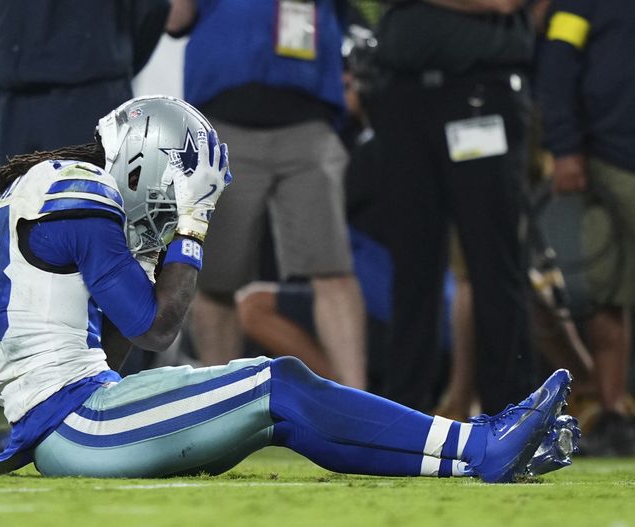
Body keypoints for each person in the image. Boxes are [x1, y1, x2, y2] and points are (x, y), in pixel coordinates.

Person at [0, 95, 578, 482]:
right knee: (279, 382)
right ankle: (477, 443)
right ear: (140, 163)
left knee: (281, 411)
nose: (171, 208)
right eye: (173, 190)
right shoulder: (81, 194)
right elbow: (157, 329)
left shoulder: (45, 191)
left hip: (69, 418)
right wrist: (192, 224)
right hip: (78, 422)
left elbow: (110, 353)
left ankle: (477, 455)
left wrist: (153, 251)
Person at [165, 0, 367, 390]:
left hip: (309, 119)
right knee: (216, 279)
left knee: (333, 269)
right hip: (224, 120)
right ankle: (219, 405)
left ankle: (363, 406)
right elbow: (175, 18)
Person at [371, 0, 536, 413]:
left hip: (481, 91)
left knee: (493, 263)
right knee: (412, 269)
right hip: (403, 95)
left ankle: (510, 415)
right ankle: (403, 415)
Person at [537, 0, 635, 456]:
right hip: (611, 158)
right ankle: (613, 413)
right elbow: (557, 65)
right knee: (605, 293)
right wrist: (565, 147)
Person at [0, 0, 170, 162]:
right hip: (12, 102)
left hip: (87, 98)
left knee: (87, 190)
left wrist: (113, 62)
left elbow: (153, 9)